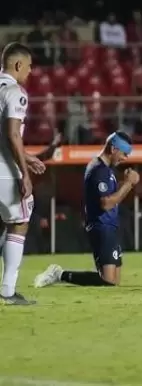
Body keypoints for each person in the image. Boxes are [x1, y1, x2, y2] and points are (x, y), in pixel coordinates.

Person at [34, 131, 139, 288]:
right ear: (113, 149)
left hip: (110, 226)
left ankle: (60, 274)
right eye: (124, 153)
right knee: (108, 280)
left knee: (114, 281)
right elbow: (106, 203)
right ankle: (59, 274)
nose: (125, 158)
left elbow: (110, 196)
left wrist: (124, 182)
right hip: (101, 226)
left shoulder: (106, 169)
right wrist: (129, 184)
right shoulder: (98, 170)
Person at [0, 42, 48, 305]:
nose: (29, 72)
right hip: (5, 172)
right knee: (19, 222)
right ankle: (8, 291)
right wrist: (24, 172)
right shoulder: (15, 92)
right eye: (28, 67)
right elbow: (11, 134)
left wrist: (27, 157)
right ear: (18, 65)